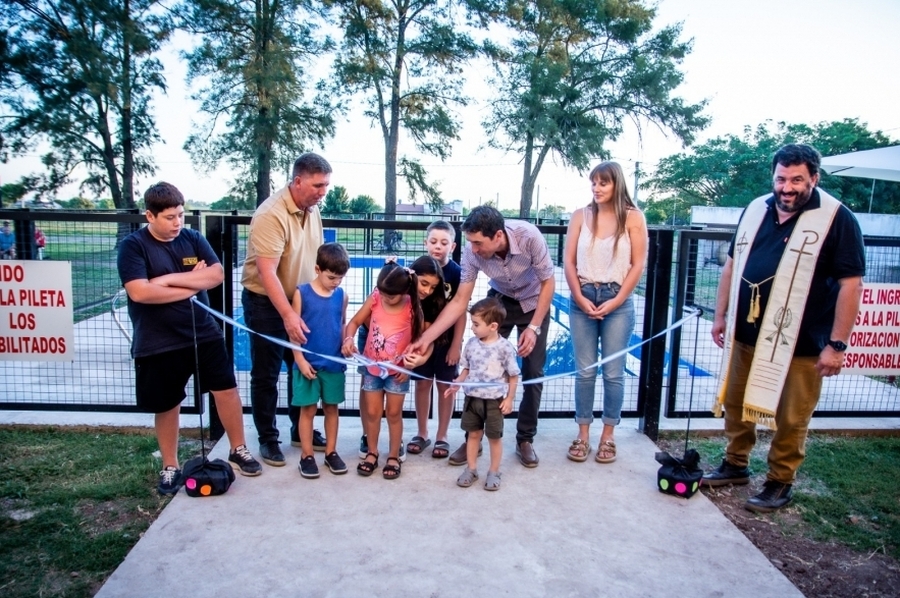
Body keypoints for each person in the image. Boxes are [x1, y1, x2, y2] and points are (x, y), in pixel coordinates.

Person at [703, 144, 865, 513]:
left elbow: (851, 285)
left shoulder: (837, 219)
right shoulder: (755, 209)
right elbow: (732, 264)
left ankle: (780, 480)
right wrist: (720, 314)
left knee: (792, 416)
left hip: (802, 342)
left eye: (797, 180)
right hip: (747, 332)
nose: (787, 188)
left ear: (814, 178)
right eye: (781, 178)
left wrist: (837, 345)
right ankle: (735, 464)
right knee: (735, 402)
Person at [117, 182, 262, 496]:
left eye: (180, 215)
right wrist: (193, 284)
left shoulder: (193, 238)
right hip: (158, 341)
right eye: (169, 217)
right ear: (150, 216)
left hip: (203, 333)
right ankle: (171, 466)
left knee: (226, 390)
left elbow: (215, 275)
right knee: (169, 405)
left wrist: (168, 281)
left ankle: (238, 448)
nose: (177, 223)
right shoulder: (134, 246)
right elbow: (139, 292)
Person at [408, 206, 555, 468]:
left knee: (533, 372)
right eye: (470, 243)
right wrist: (426, 338)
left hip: (535, 303)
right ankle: (472, 437)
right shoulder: (471, 251)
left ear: (498, 236)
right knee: (478, 367)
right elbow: (460, 301)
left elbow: (548, 282)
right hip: (499, 302)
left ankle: (525, 439)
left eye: (477, 243)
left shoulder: (529, 237)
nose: (473, 249)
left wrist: (533, 328)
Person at [241, 153, 331, 467]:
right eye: (318, 185)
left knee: (300, 368)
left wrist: (316, 299)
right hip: (266, 303)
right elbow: (268, 274)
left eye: (326, 185)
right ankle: (268, 438)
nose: (323, 191)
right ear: (297, 181)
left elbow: (316, 257)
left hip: (300, 300)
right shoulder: (271, 214)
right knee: (266, 374)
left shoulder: (313, 209)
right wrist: (288, 316)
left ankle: (299, 429)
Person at [563, 162, 647, 464]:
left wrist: (616, 301)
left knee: (613, 373)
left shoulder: (634, 218)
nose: (597, 189)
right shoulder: (580, 216)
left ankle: (608, 436)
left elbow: (638, 265)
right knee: (585, 372)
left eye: (603, 183)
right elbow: (568, 262)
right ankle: (582, 434)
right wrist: (579, 298)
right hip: (583, 297)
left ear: (616, 185)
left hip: (617, 300)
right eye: (594, 183)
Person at [342, 261, 425, 480]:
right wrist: (349, 338)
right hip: (372, 367)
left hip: (397, 371)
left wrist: (408, 366)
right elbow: (354, 322)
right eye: (384, 293)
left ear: (404, 291)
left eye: (392, 295)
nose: (386, 298)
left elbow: (419, 341)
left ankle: (394, 455)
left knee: (394, 413)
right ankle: (372, 452)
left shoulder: (411, 305)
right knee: (372, 412)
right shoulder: (376, 297)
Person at [446, 298, 520, 491]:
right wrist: (457, 384)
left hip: (495, 401)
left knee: (494, 437)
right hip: (473, 399)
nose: (472, 328)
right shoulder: (471, 344)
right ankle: (471, 469)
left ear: (493, 326)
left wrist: (510, 398)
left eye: (476, 324)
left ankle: (494, 471)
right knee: (473, 435)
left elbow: (513, 375)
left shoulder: (504, 348)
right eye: (472, 323)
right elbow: (466, 369)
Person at [290, 242, 351, 479]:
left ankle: (331, 452)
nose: (336, 282)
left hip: (333, 364)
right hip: (308, 364)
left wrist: (347, 342)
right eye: (332, 277)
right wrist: (300, 360)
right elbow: (293, 332)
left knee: (331, 408)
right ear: (317, 269)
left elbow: (343, 323)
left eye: (341, 278)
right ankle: (306, 455)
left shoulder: (341, 295)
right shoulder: (301, 293)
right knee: (307, 410)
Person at [407, 222, 466, 459]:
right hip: (422, 340)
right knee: (422, 384)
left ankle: (442, 435)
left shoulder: (459, 273)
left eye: (443, 243)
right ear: (425, 243)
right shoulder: (416, 271)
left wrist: (456, 344)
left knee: (445, 387)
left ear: (452, 246)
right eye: (433, 242)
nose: (437, 247)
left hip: (446, 342)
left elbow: (461, 311)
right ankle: (422, 433)